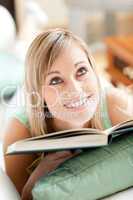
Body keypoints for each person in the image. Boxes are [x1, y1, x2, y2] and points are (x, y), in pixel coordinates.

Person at [3, 28, 133, 200]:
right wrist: (36, 177)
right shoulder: (18, 132)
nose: (75, 90)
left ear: (94, 71)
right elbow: (21, 196)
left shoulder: (115, 103)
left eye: (81, 71)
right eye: (55, 80)